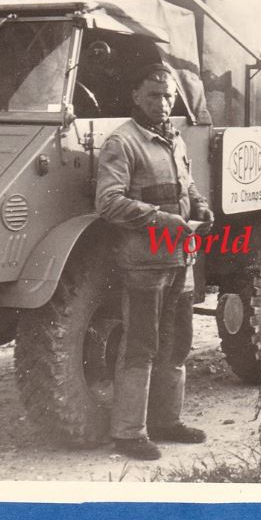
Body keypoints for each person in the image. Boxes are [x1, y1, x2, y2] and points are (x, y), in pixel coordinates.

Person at [95, 62, 214, 460]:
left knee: (177, 343)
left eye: (168, 96)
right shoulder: (122, 142)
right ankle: (129, 433)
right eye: (153, 95)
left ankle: (167, 421)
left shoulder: (174, 140)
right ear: (135, 97)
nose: (162, 103)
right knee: (141, 345)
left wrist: (200, 205)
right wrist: (164, 220)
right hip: (145, 263)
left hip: (181, 258)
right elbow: (109, 202)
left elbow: (187, 184)